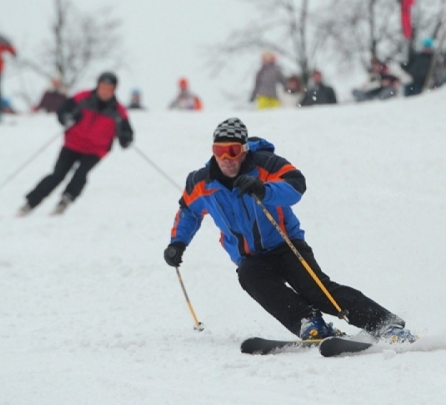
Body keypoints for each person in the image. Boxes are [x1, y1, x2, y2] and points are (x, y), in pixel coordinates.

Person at [163, 117, 416, 344]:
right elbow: (189, 211)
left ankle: (384, 322)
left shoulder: (265, 164)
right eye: (219, 151)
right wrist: (178, 243)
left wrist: (264, 189)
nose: (226, 159)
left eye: (233, 150)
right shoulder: (201, 181)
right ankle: (308, 322)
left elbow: (297, 185)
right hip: (250, 258)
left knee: (317, 291)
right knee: (249, 277)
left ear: (244, 150)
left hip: (286, 245)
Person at [18, 72, 134, 216]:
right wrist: (66, 118)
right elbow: (63, 111)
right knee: (58, 174)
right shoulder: (82, 98)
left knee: (81, 173)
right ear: (97, 86)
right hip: (72, 144)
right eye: (102, 87)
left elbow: (127, 134)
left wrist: (125, 138)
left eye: (109, 88)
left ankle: (66, 199)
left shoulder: (118, 111)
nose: (105, 91)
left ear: (114, 90)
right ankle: (30, 203)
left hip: (96, 150)